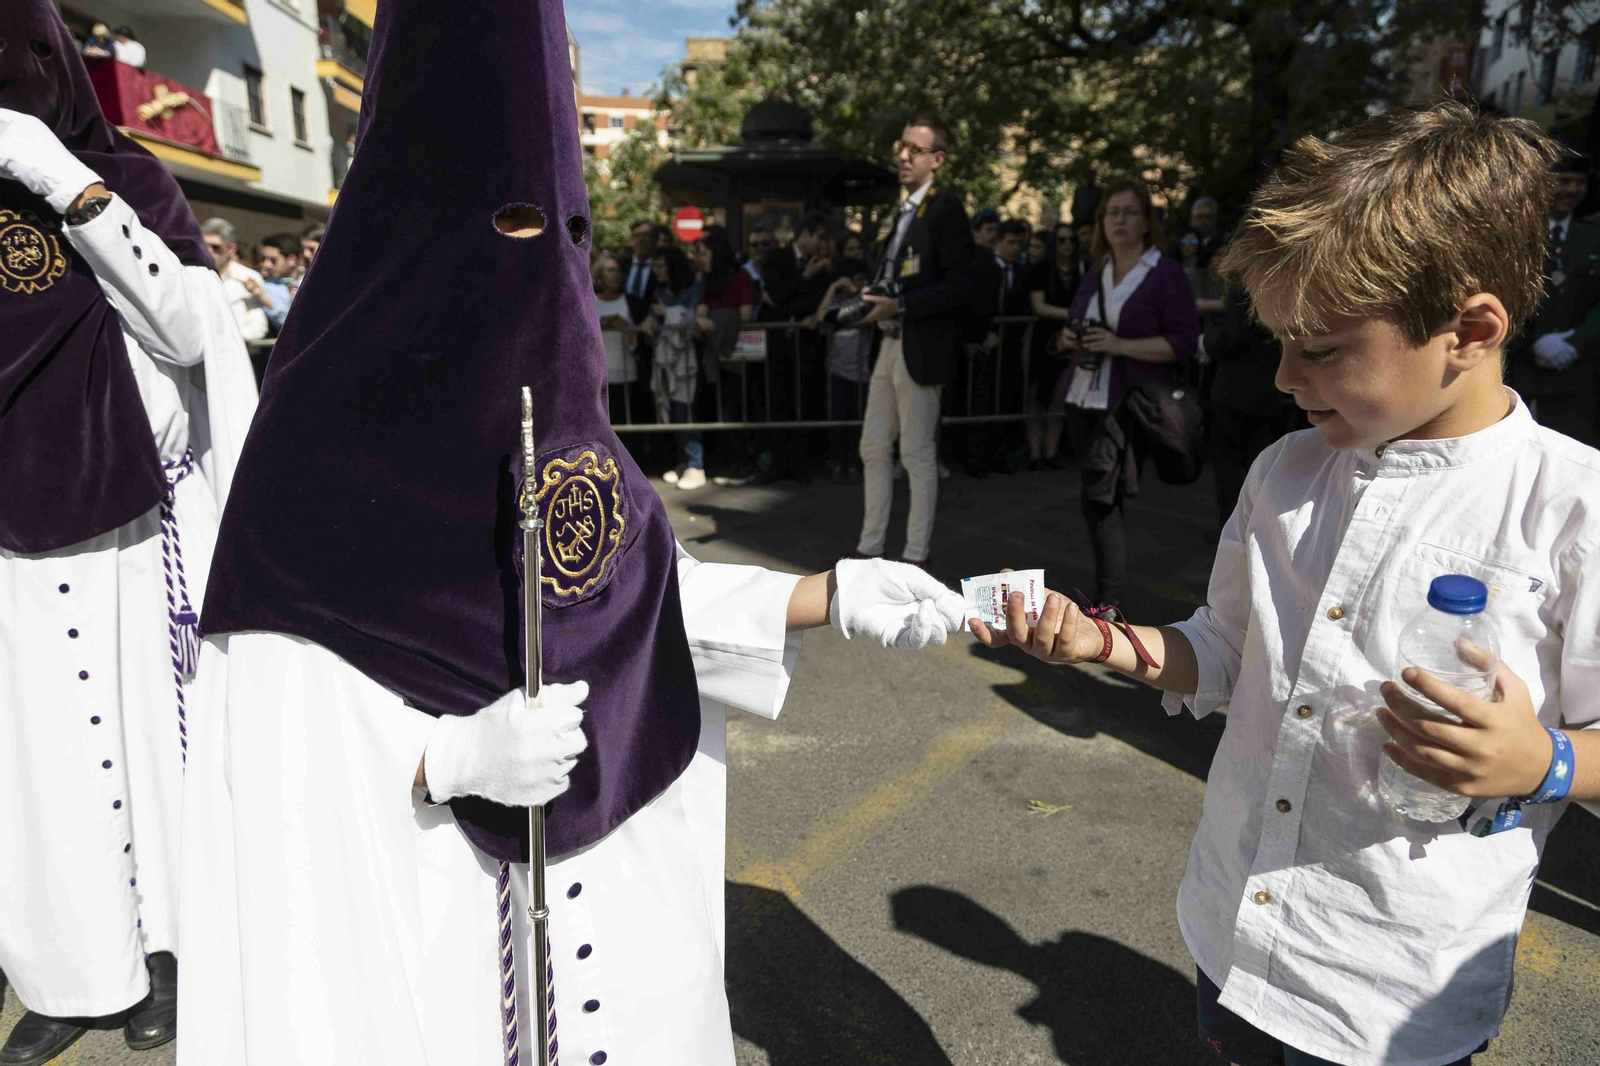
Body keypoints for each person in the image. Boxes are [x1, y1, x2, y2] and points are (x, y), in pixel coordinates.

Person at [180, 3, 967, 1063]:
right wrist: (440, 755)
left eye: (566, 227)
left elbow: (630, 593)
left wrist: (827, 590)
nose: (544, 260)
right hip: (438, 942)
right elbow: (273, 748)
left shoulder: (558, 409)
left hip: (627, 930)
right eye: (511, 222)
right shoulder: (317, 447)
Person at [975, 101, 1600, 1066]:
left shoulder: (1570, 511)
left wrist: (1545, 763)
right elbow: (1223, 652)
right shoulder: (1285, 473)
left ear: (1469, 330)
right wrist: (1103, 640)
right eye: (1273, 340)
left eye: (1321, 348)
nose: (1281, 375)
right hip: (1234, 928)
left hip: (1390, 992)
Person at [0, 4, 258, 1062]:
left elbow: (191, 328)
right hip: (13, 527)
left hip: (134, 517)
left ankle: (167, 952)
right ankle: (68, 971)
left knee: (154, 748)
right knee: (42, 767)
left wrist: (69, 185)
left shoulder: (129, 180)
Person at [1054, 177, 1198, 615]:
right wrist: (1069, 338)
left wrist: (1118, 345)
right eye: (1111, 212)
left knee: (1100, 495)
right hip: (1084, 395)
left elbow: (1183, 343)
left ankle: (1109, 600)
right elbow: (1072, 329)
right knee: (1098, 493)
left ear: (1145, 222)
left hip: (1128, 399)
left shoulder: (1164, 273)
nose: (1118, 220)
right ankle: (1107, 592)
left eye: (1128, 212)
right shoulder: (1097, 271)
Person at [852, 112, 975, 566]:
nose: (903, 156)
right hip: (888, 342)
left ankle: (914, 557)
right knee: (872, 447)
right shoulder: (901, 211)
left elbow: (961, 285)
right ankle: (869, 549)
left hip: (920, 345)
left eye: (915, 150)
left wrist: (901, 305)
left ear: (937, 159)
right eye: (902, 146)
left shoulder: (946, 209)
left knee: (917, 453)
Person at [1505, 149, 1600, 447]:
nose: (1572, 190)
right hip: (1521, 370)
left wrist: (1574, 342)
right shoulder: (1517, 236)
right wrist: (1536, 341)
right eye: (1563, 180)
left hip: (1578, 375)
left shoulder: (1593, 236)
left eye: (1579, 182)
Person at [694, 226, 759, 484]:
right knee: (722, 409)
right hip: (715, 356)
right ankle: (729, 462)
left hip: (737, 356)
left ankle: (743, 465)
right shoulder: (709, 280)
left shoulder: (740, 277)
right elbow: (699, 313)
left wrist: (712, 320)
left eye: (703, 251)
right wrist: (703, 319)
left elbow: (744, 314)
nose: (698, 257)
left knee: (736, 409)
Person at [642, 243, 706, 489]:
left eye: (661, 265)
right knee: (671, 410)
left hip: (685, 361)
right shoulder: (660, 292)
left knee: (686, 410)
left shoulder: (693, 289)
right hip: (665, 361)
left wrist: (665, 313)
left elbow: (689, 321)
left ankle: (695, 464)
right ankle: (682, 461)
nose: (657, 270)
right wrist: (651, 320)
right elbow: (653, 320)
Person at [1023, 221, 1083, 469]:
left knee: (1060, 396)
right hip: (1043, 339)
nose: (1067, 244)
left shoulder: (1082, 269)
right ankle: (1036, 454)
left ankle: (1051, 453)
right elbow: (1039, 306)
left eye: (1071, 240)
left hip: (1072, 338)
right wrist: (1071, 313)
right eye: (1061, 240)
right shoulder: (1040, 269)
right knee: (1037, 396)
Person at [200, 217, 269, 342]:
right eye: (204, 245)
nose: (208, 251)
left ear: (231, 249)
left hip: (235, 352)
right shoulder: (191, 274)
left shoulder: (249, 277)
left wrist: (228, 339)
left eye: (216, 247)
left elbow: (258, 325)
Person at [592, 253, 639, 419]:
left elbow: (636, 343)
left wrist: (626, 327)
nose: (615, 274)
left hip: (626, 374)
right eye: (610, 270)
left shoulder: (630, 302)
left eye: (618, 270)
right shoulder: (590, 302)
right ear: (600, 275)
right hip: (599, 378)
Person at [256, 231, 302, 335]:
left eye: (273, 260)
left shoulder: (304, 283)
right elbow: (284, 322)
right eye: (263, 259)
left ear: (292, 259)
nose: (266, 264)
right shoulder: (266, 287)